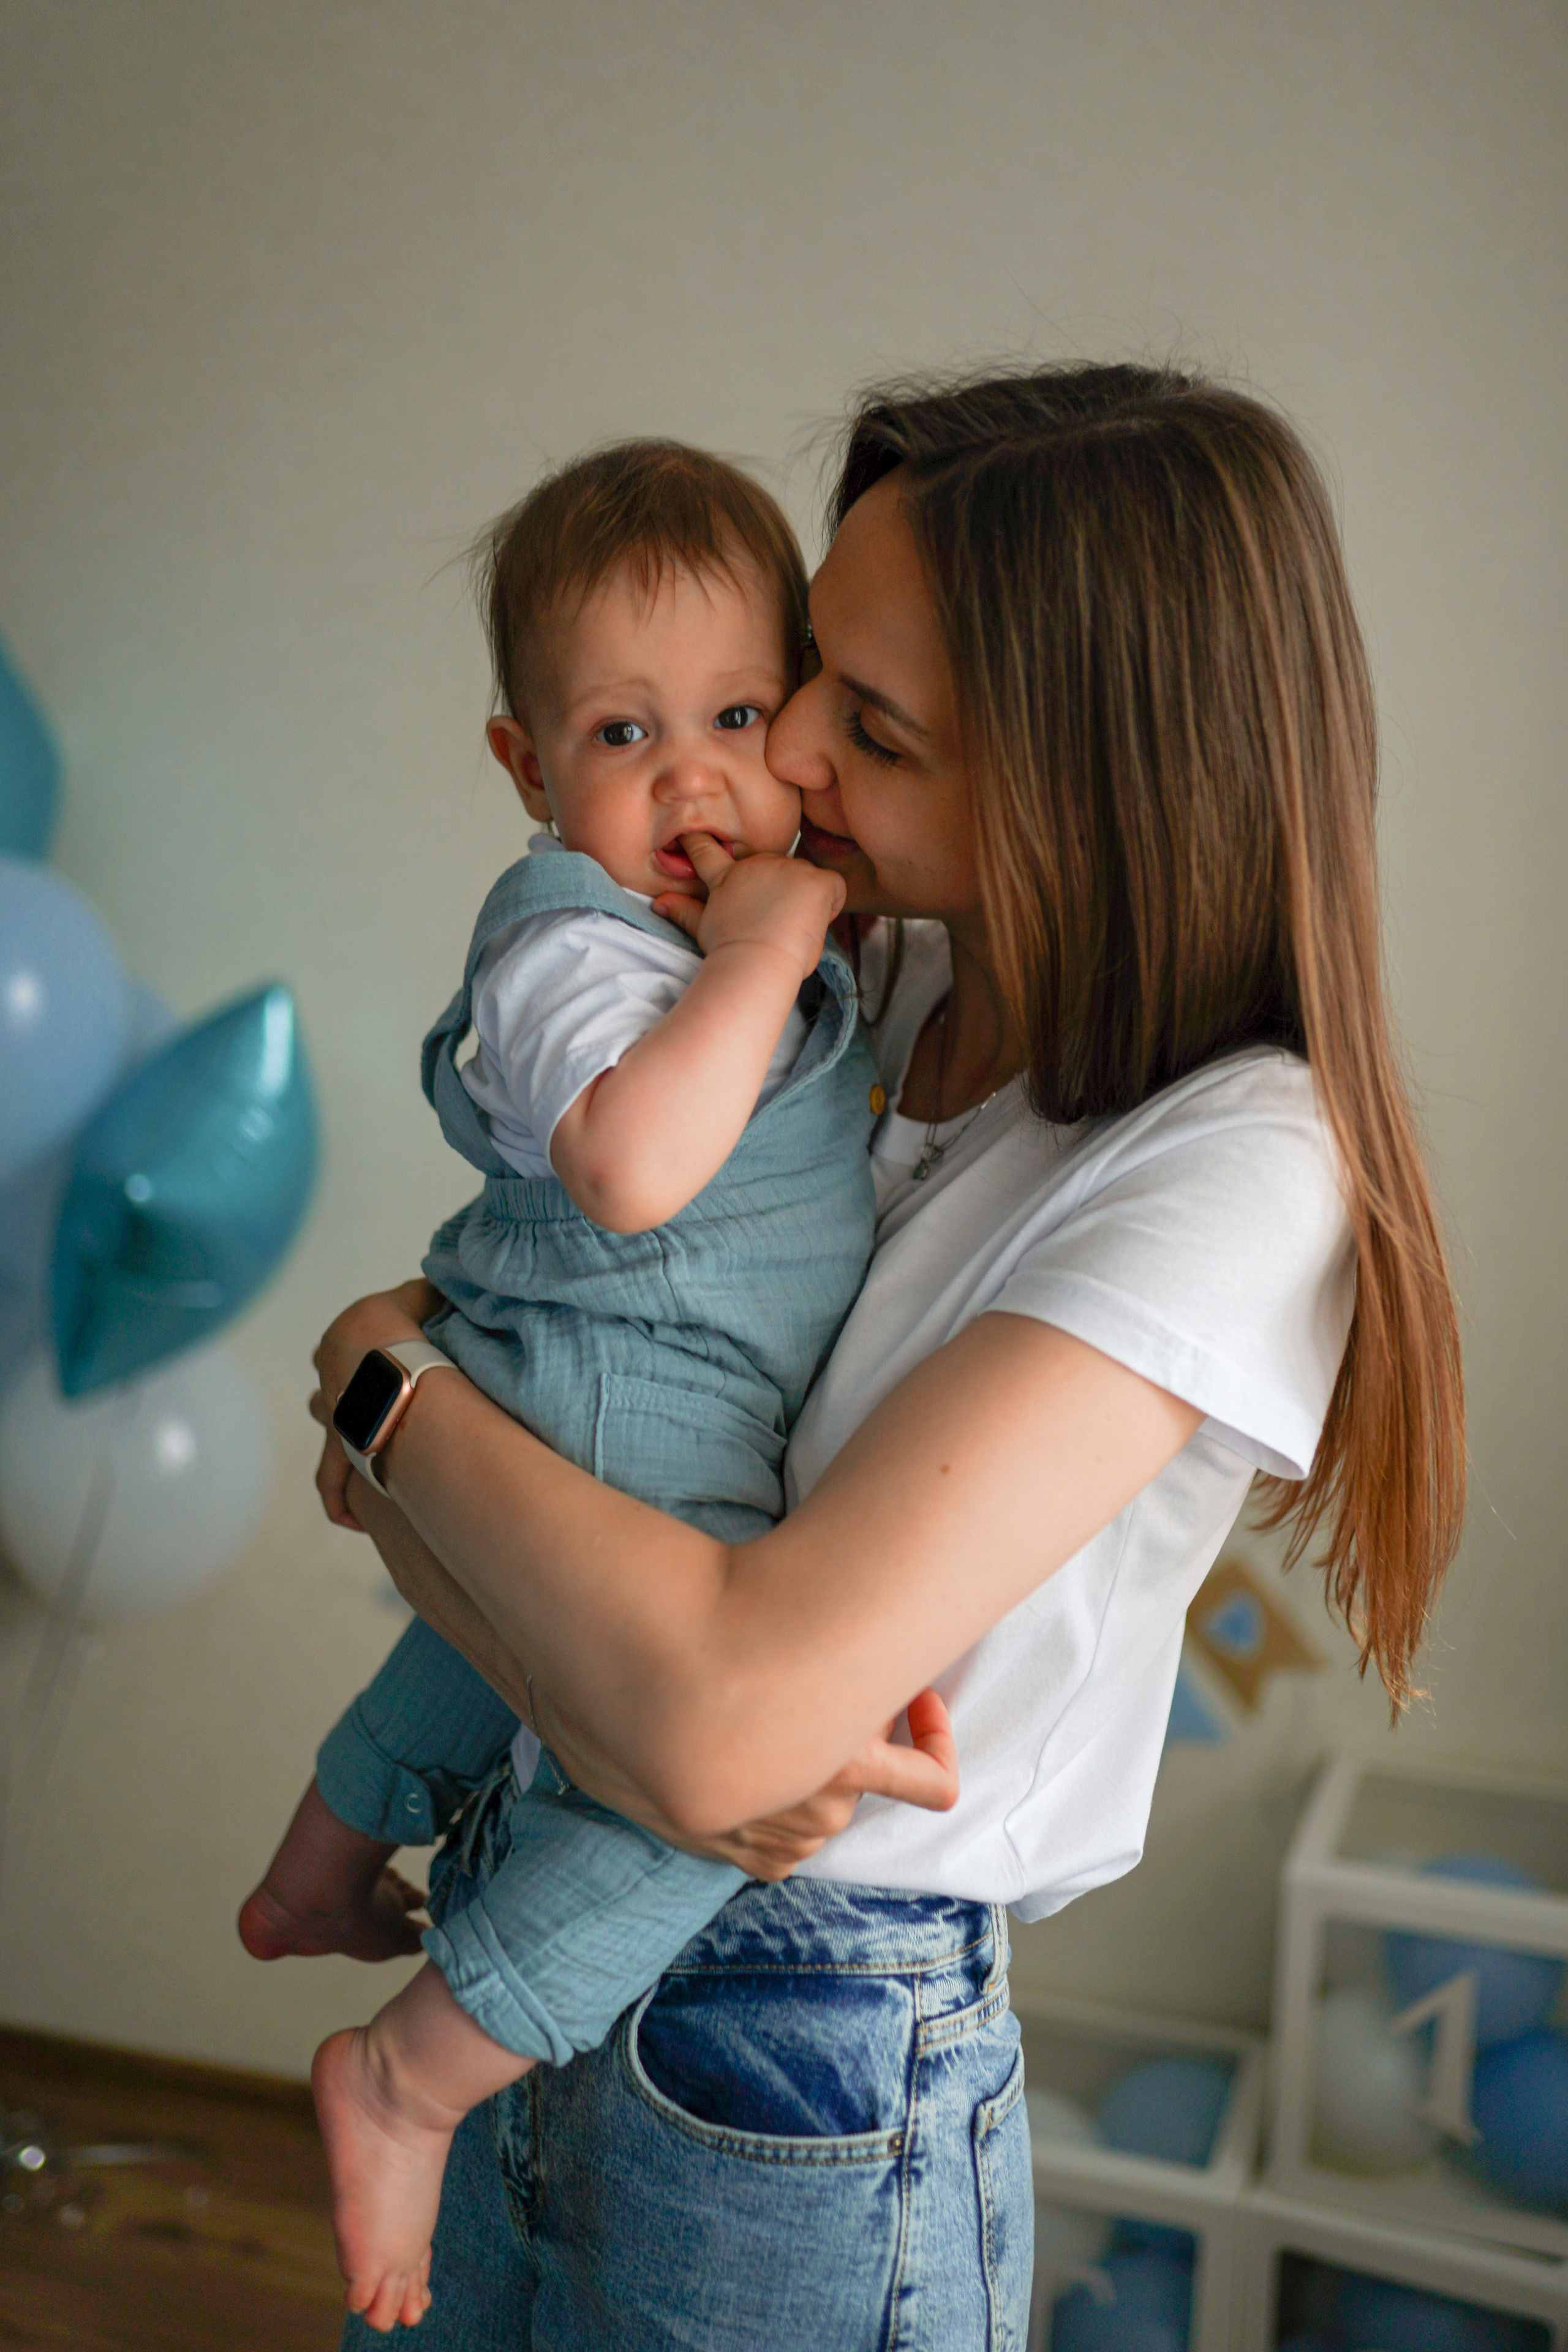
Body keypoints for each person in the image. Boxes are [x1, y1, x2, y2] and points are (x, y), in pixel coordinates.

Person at [273, 363, 1466, 2350]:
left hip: (793, 2062)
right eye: (807, 666)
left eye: (868, 721)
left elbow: (698, 1696)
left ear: (1088, 784)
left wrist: (409, 1401)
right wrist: (397, 1400)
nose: (788, 751)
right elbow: (420, 1448)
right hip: (524, 1903)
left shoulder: (1240, 1167)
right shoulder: (840, 984)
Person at [241, 442, 963, 2332]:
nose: (698, 778)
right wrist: (772, 944)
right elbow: (637, 1166)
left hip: (596, 1377)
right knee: (693, 1781)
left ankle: (329, 1846)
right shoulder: (570, 939)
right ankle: (410, 2074)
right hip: (638, 1391)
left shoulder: (743, 939)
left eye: (739, 713)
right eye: (626, 732)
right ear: (529, 770)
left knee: (504, 1647)